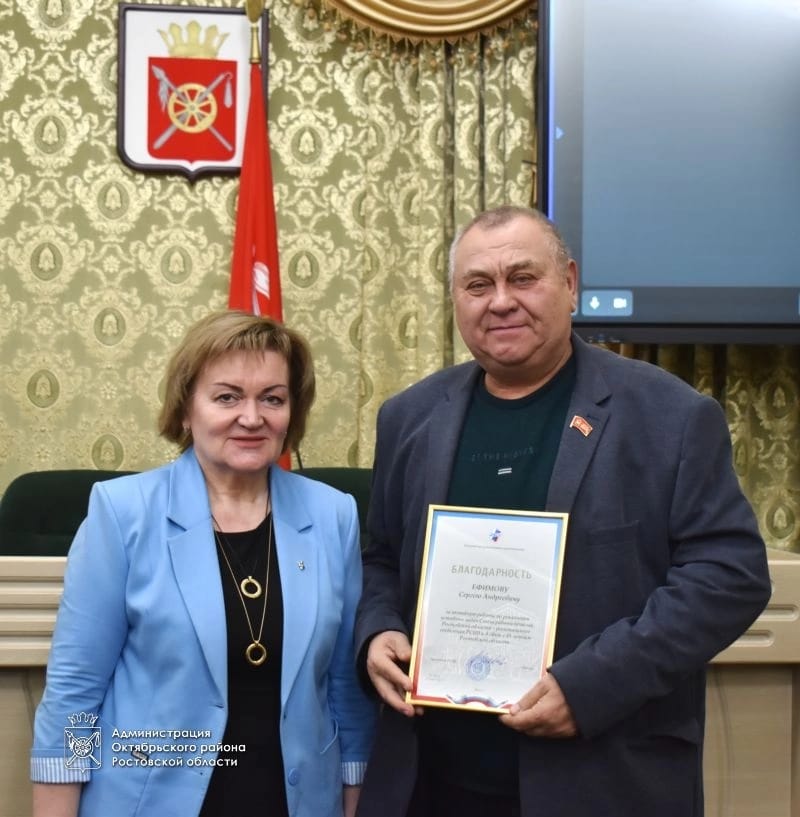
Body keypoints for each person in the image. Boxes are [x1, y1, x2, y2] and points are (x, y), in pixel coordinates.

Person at [354, 205, 771, 817]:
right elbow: (382, 559)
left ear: (570, 283)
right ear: (456, 300)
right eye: (478, 284)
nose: (500, 301)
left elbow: (729, 577)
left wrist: (591, 687)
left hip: (602, 776)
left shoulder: (671, 415)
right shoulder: (408, 417)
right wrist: (379, 628)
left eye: (523, 278)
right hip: (431, 781)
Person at [31, 310, 376, 817]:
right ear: (186, 410)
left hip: (297, 800)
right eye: (227, 397)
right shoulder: (123, 513)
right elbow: (75, 693)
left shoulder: (332, 515)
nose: (252, 418)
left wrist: (355, 797)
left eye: (272, 399)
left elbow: (347, 691)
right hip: (150, 801)